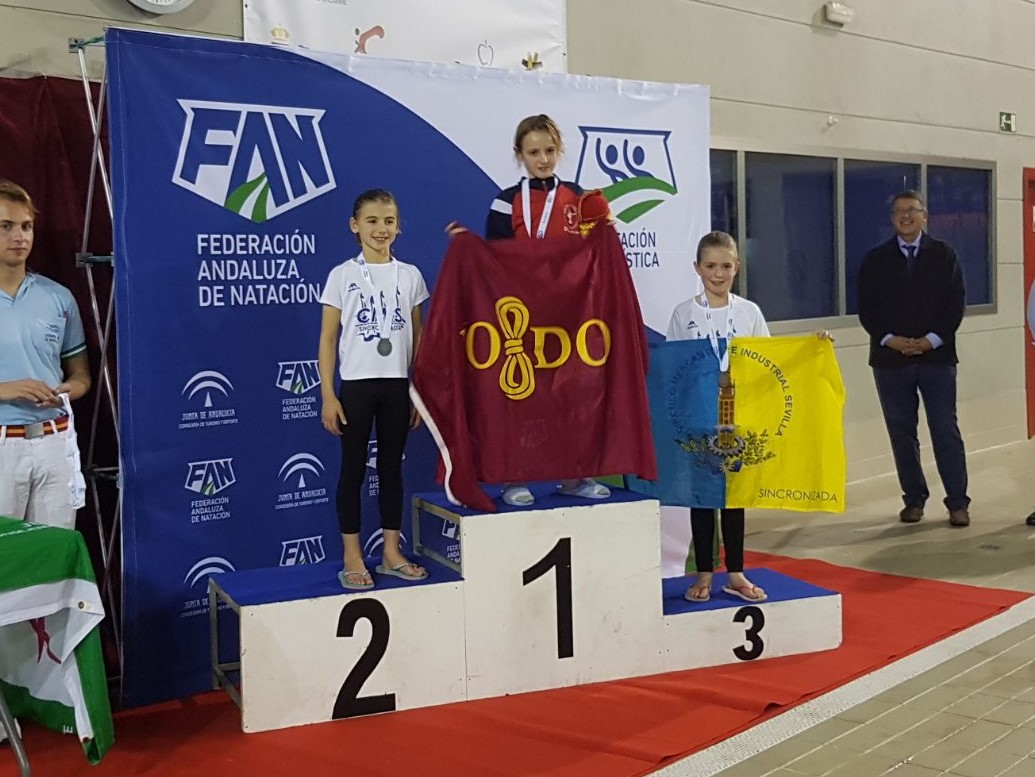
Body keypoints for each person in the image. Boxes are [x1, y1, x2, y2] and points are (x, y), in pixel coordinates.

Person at [483, 113, 611, 507]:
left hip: (571, 315)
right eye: (533, 152)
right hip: (523, 317)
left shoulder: (579, 197)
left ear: (560, 150)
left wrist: (605, 226)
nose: (543, 159)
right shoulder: (506, 201)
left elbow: (596, 253)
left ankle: (575, 476)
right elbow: (495, 259)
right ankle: (515, 478)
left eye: (549, 151)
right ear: (518, 154)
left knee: (572, 396)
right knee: (522, 396)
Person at [318, 189, 430, 590]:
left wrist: (418, 391)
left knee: (391, 470)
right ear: (355, 226)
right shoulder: (342, 275)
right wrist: (328, 395)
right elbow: (328, 339)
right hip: (356, 388)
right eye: (372, 221)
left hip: (397, 386)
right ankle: (352, 556)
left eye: (388, 221)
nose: (381, 229)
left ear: (398, 227)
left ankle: (391, 553)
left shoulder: (410, 275)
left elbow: (419, 338)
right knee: (352, 471)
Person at [666, 231, 770, 603]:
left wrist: (813, 345)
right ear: (697, 268)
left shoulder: (749, 312)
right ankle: (705, 573)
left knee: (734, 498)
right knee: (703, 498)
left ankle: (736, 572)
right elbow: (672, 367)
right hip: (698, 419)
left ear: (737, 267)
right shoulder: (684, 313)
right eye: (710, 266)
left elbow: (769, 362)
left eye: (726, 266)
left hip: (737, 419)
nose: (718, 273)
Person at [857, 189, 970, 528]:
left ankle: (958, 503)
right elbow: (867, 309)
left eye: (912, 210)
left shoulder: (944, 255)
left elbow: (955, 304)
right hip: (890, 362)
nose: (906, 216)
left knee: (945, 430)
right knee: (902, 432)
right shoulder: (876, 259)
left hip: (937, 359)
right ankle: (914, 500)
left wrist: (929, 341)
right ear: (892, 219)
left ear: (925, 216)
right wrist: (891, 340)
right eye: (899, 212)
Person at [0, 180, 90, 530]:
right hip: (4, 443)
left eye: (26, 226)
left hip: (56, 441)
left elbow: (81, 375)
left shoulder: (58, 297)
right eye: (5, 226)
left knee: (54, 549)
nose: (19, 236)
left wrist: (68, 390)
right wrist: (8, 389)